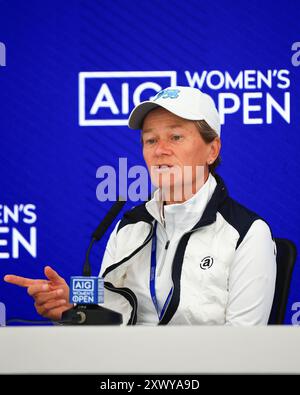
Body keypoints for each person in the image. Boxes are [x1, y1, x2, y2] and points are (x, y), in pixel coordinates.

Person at [4, 86, 277, 325]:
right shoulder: (129, 226)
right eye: (150, 140)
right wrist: (71, 306)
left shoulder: (248, 234)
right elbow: (108, 305)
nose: (160, 150)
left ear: (212, 150)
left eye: (176, 137)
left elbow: (243, 348)